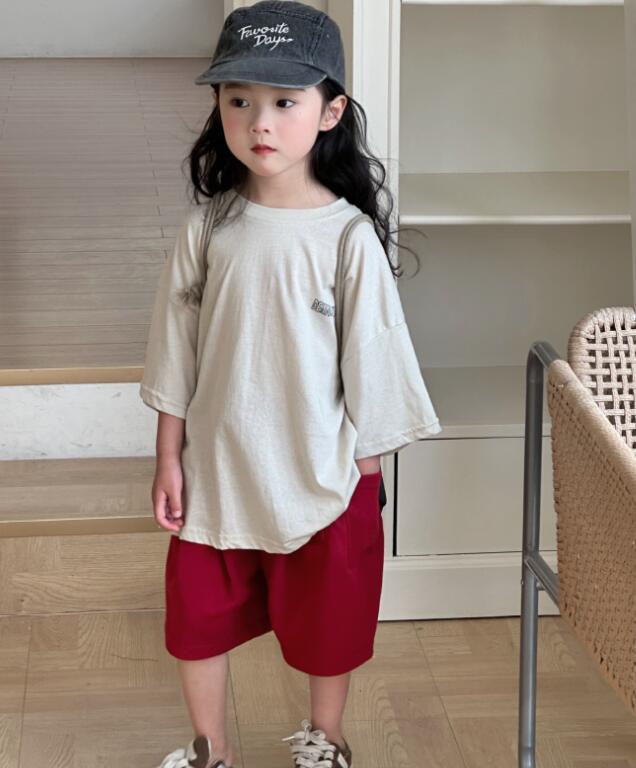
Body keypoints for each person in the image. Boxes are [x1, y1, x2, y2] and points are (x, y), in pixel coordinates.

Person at [139, 2, 442, 767]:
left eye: (284, 102)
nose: (260, 123)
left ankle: (326, 739)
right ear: (218, 106)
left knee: (330, 621)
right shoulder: (209, 227)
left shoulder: (347, 237)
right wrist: (168, 455)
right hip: (218, 470)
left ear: (330, 111)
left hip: (323, 471)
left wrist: (366, 472)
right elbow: (176, 348)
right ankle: (210, 748)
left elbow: (374, 357)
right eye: (239, 100)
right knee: (196, 620)